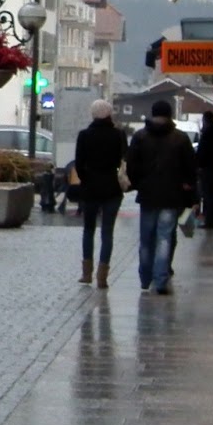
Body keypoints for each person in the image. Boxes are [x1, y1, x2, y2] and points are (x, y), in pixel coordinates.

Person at [124, 99, 197, 295]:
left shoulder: (140, 137)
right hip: (172, 196)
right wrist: (188, 189)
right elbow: (191, 168)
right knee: (164, 237)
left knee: (146, 239)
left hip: (147, 195)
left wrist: (139, 184)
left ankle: (145, 279)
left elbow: (131, 166)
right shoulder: (180, 138)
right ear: (170, 115)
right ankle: (161, 279)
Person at [73, 99, 127, 289]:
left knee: (88, 230)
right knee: (107, 232)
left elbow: (78, 164)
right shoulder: (118, 135)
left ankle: (86, 273)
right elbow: (124, 159)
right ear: (110, 113)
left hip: (90, 188)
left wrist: (86, 178)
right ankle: (102, 275)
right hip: (112, 188)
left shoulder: (84, 135)